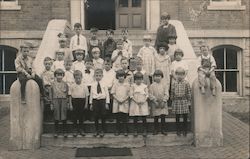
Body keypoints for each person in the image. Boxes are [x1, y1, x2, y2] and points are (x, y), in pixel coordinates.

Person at [170, 67, 191, 137]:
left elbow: (189, 92)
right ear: (175, 75)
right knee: (177, 117)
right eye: (178, 74)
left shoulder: (186, 83)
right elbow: (172, 92)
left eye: (181, 74)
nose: (180, 76)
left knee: (185, 116)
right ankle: (178, 130)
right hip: (176, 101)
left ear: (184, 75)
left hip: (184, 101)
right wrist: (172, 99)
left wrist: (188, 101)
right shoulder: (174, 83)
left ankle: (185, 130)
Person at [89, 69, 110, 137]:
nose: (98, 77)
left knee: (103, 115)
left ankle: (102, 130)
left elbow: (107, 94)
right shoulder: (93, 84)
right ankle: (96, 130)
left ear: (102, 76)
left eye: (99, 76)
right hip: (95, 101)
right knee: (96, 116)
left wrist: (107, 103)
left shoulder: (104, 84)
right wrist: (91, 103)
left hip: (102, 100)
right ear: (94, 76)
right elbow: (91, 94)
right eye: (96, 75)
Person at [68, 70, 89, 137]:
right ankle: (75, 129)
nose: (78, 79)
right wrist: (70, 104)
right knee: (74, 116)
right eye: (76, 78)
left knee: (81, 116)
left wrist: (86, 104)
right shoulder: (72, 86)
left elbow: (86, 96)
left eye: (79, 78)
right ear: (74, 78)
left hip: (82, 101)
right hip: (74, 101)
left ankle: (81, 129)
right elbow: (70, 96)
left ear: (81, 77)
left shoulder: (84, 86)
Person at [149, 70, 169, 135]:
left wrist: (164, 101)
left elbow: (166, 94)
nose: (157, 78)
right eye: (156, 76)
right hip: (155, 104)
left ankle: (163, 129)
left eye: (159, 76)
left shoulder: (164, 85)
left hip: (163, 103)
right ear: (153, 77)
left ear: (162, 77)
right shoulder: (152, 86)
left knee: (163, 117)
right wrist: (155, 101)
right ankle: (156, 129)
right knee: (156, 117)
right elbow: (150, 94)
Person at [129, 72, 149, 137]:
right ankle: (135, 130)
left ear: (142, 79)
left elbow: (147, 95)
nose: (138, 81)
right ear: (135, 80)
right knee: (135, 116)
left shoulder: (144, 86)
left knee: (143, 117)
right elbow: (131, 95)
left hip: (143, 102)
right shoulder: (133, 86)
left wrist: (143, 101)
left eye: (140, 79)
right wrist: (136, 101)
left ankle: (144, 130)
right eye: (137, 79)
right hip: (135, 102)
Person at [51, 69, 69, 138]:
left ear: (63, 76)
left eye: (61, 75)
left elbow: (67, 93)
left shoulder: (65, 84)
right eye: (58, 75)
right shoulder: (52, 84)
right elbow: (51, 94)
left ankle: (65, 131)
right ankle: (56, 131)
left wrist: (67, 102)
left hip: (63, 100)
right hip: (55, 100)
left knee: (64, 115)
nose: (59, 77)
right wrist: (51, 103)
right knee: (56, 115)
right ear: (55, 76)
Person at [111, 69, 130, 136]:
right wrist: (118, 99)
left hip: (124, 102)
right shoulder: (115, 84)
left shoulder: (127, 84)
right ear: (117, 77)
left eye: (122, 76)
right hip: (117, 102)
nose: (121, 77)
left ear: (124, 77)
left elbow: (129, 94)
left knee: (124, 117)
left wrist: (124, 100)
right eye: (119, 76)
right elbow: (113, 93)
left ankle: (125, 130)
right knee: (118, 117)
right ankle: (117, 130)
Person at [41, 57, 54, 121]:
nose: (47, 65)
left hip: (51, 88)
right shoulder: (42, 73)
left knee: (52, 102)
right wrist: (44, 88)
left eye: (49, 64)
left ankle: (52, 116)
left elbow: (53, 81)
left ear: (51, 64)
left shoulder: (53, 72)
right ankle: (47, 116)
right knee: (46, 102)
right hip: (45, 88)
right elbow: (42, 82)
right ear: (44, 64)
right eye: (46, 64)